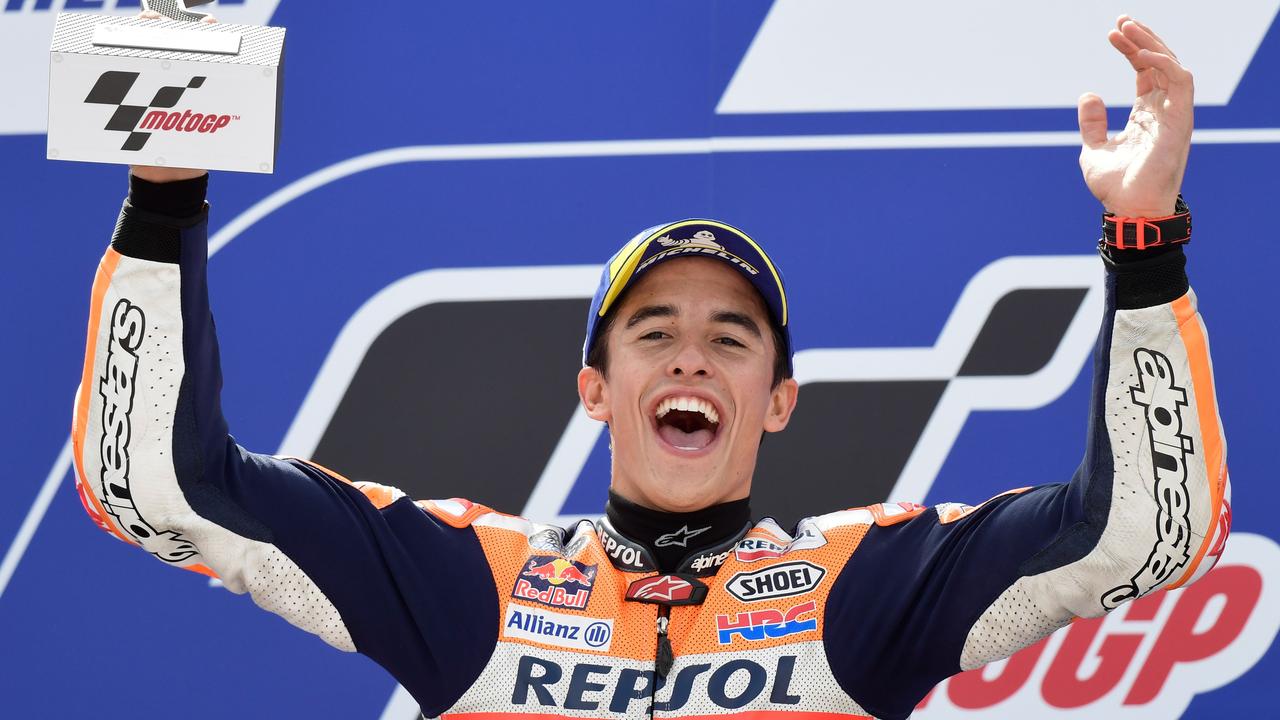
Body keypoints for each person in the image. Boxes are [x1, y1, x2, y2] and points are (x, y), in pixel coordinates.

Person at [73, 16, 1228, 719]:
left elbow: (1143, 534)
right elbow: (155, 488)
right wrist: (163, 203)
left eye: (731, 338)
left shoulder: (863, 587)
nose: (691, 355)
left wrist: (1142, 246)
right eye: (652, 333)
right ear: (594, 389)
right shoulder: (466, 579)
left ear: (776, 401)